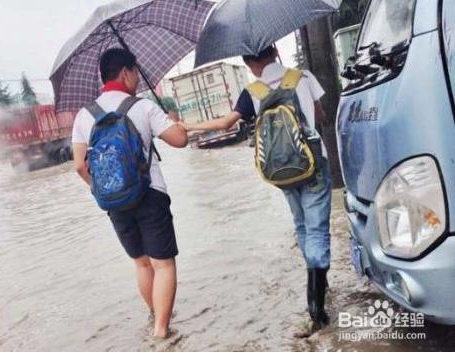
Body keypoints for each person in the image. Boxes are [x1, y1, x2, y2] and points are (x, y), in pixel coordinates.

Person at [180, 45, 332, 332]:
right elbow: (321, 115)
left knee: (302, 226)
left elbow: (226, 123)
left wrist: (186, 126)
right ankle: (317, 306)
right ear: (275, 51)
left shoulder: (252, 91)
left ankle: (317, 282)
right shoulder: (303, 76)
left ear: (249, 62)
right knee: (317, 229)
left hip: (280, 170)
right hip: (312, 163)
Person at [71, 48, 188, 338]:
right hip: (150, 194)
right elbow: (180, 140)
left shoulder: (85, 116)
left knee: (141, 262)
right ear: (125, 72)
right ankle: (162, 331)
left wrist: (104, 193)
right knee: (163, 265)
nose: (137, 77)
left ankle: (154, 316)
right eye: (135, 71)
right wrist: (172, 119)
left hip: (114, 202)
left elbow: (79, 166)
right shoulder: (143, 106)